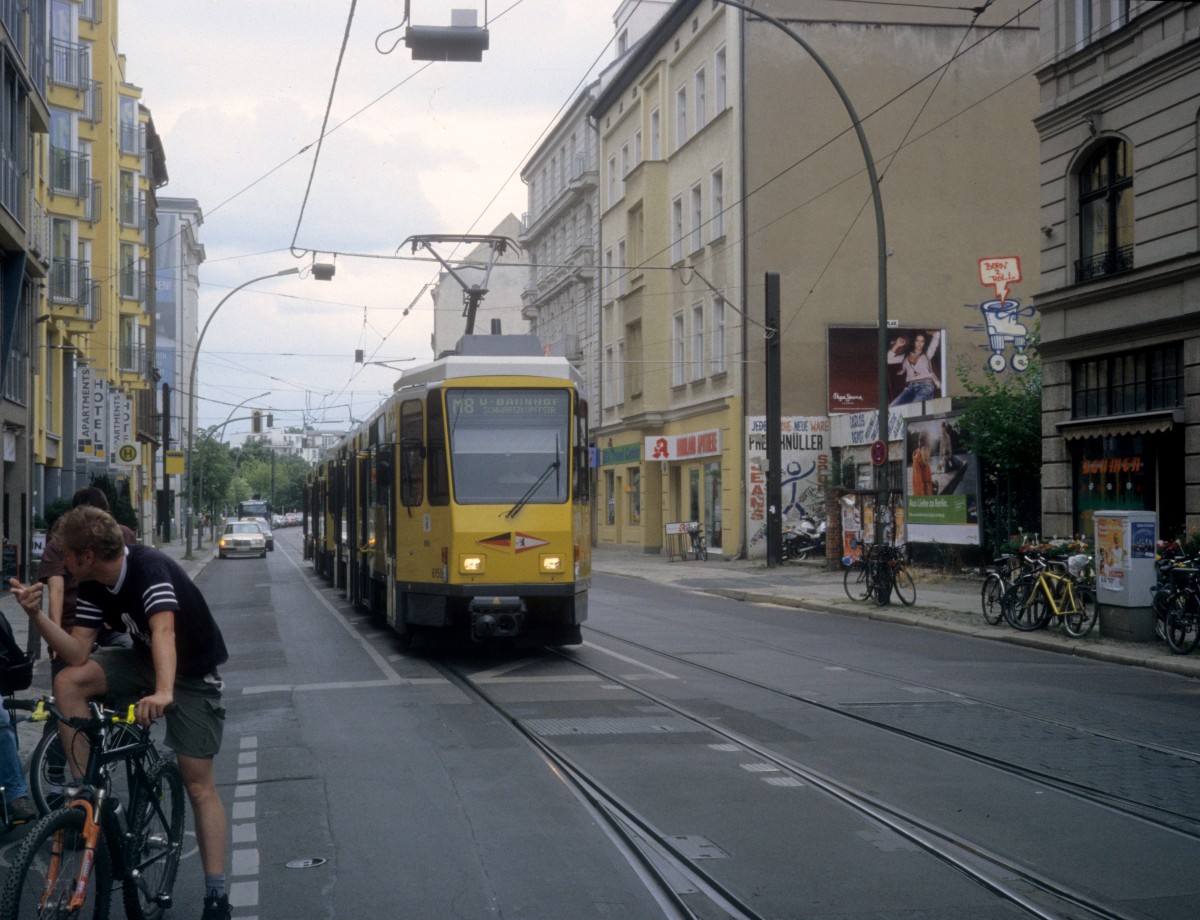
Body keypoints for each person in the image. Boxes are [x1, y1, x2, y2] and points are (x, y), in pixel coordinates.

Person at [10, 506, 232, 920]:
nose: (64, 563)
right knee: (68, 682)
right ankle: (84, 793)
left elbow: (164, 630)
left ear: (87, 554)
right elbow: (76, 653)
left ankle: (216, 896)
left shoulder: (149, 568)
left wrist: (164, 692)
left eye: (68, 555)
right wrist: (36, 615)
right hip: (145, 661)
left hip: (192, 673)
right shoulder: (94, 584)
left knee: (199, 785)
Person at [38, 486, 138, 679]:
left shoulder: (122, 535)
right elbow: (56, 592)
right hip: (73, 625)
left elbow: (132, 577)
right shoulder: (58, 544)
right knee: (63, 677)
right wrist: (56, 638)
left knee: (134, 656)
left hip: (112, 625)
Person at [888, 330, 941, 406]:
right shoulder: (905, 357)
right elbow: (888, 360)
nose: (919, 344)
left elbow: (937, 335)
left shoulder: (927, 354)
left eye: (922, 341)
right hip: (910, 387)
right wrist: (897, 344)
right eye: (917, 340)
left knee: (913, 409)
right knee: (891, 408)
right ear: (913, 341)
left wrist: (926, 331)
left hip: (926, 386)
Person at [911, 430, 933, 496]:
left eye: (928, 449)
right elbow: (918, 493)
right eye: (924, 449)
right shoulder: (916, 464)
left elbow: (930, 489)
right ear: (920, 450)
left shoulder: (928, 465)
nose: (926, 453)